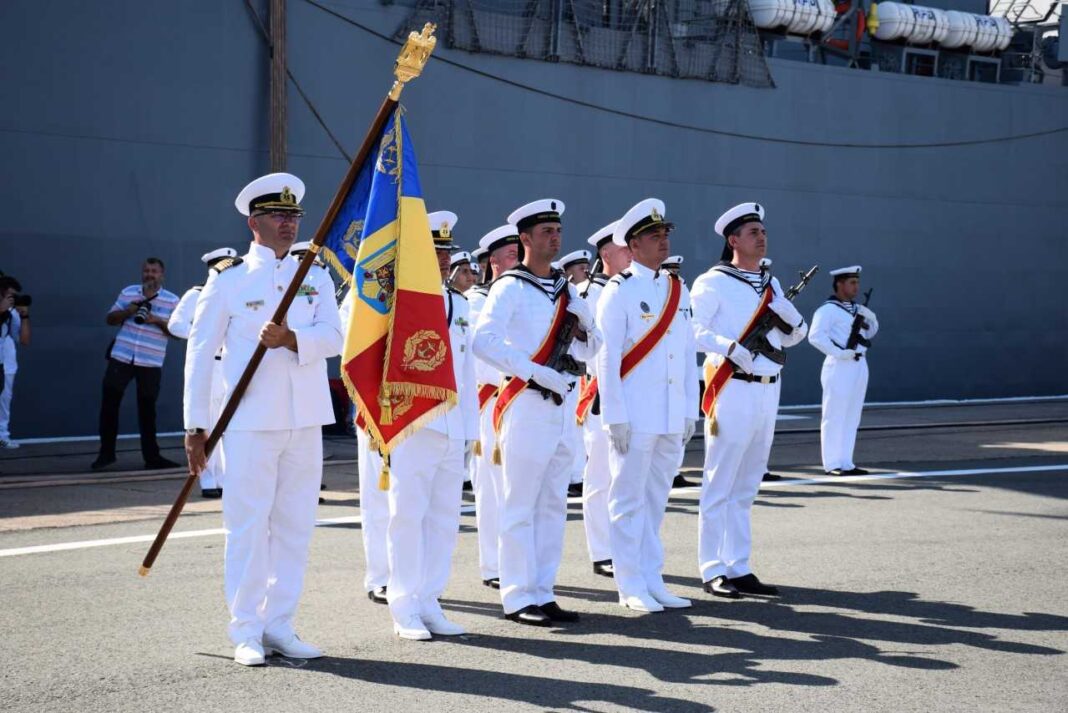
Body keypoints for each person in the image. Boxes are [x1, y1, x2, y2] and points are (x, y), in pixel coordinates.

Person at [184, 172, 342, 666]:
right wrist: (195, 426)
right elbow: (200, 352)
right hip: (250, 419)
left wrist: (292, 339)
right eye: (277, 215)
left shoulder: (314, 274)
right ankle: (246, 630)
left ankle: (280, 625)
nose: (288, 224)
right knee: (249, 527)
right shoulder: (229, 279)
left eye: (293, 216)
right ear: (254, 223)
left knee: (295, 525)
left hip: (306, 418)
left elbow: (335, 337)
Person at [472, 198, 600, 627]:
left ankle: (544, 591)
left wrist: (587, 324)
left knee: (553, 504)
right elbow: (483, 341)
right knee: (520, 503)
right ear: (524, 239)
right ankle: (517, 596)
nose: (555, 237)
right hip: (526, 402)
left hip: (563, 404)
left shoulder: (566, 289)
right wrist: (531, 370)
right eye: (546, 231)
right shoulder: (511, 286)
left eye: (558, 230)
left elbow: (592, 351)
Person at [690, 202, 807, 599]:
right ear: (733, 240)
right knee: (720, 481)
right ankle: (712, 568)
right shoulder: (712, 282)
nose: (762, 237)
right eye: (753, 232)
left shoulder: (770, 284)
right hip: (733, 387)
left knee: (748, 482)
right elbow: (692, 330)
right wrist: (728, 347)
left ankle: (738, 565)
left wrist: (794, 321)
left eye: (763, 231)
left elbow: (789, 338)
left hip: (768, 387)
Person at [596, 199, 698, 612]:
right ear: (633, 245)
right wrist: (614, 416)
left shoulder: (677, 288)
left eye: (665, 234)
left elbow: (686, 353)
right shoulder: (619, 290)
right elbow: (606, 357)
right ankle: (630, 584)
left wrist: (690, 409)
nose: (663, 241)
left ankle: (653, 578)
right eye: (654, 236)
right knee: (627, 501)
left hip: (671, 414)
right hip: (635, 416)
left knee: (656, 501)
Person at [385, 210, 479, 640]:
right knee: (407, 516)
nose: (443, 259)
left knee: (444, 519)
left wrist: (471, 430)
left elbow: (467, 371)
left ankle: (429, 600)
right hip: (414, 422)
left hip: (453, 425)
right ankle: (404, 604)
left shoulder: (460, 303)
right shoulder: (401, 300)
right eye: (434, 251)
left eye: (446, 252)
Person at [573, 220, 630, 578]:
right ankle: (602, 551)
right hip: (598, 392)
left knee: (628, 478)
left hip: (632, 391)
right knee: (599, 476)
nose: (631, 253)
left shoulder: (629, 288)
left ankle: (625, 547)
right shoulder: (584, 293)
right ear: (606, 253)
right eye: (624, 248)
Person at [467, 224, 522, 590]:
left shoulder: (526, 292)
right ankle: (494, 565)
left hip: (525, 397)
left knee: (521, 489)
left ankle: (520, 562)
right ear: (492, 262)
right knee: (492, 487)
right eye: (511, 255)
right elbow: (482, 358)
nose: (518, 259)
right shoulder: (476, 300)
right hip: (492, 401)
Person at [92, 258, 181, 470]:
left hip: (150, 361)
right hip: (122, 357)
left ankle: (152, 458)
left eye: (154, 271)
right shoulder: (129, 292)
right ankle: (106, 454)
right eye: (146, 270)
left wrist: (156, 320)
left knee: (147, 410)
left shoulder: (172, 300)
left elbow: (178, 333)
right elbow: (110, 319)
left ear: (162, 275)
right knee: (109, 406)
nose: (150, 274)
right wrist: (128, 311)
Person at [168, 248, 239, 497]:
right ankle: (209, 480)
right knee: (206, 424)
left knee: (229, 425)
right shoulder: (196, 294)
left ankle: (226, 478)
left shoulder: (236, 293)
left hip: (230, 365)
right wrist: (204, 337)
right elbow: (175, 324)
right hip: (209, 363)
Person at [338, 287, 390, 606]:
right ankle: (381, 576)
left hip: (420, 407)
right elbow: (346, 339)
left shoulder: (430, 286)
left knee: (417, 503)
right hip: (377, 401)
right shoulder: (366, 284)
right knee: (378, 496)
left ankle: (417, 581)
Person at [808, 265, 879, 476]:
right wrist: (839, 352)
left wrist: (872, 319)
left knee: (852, 415)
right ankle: (832, 464)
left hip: (859, 364)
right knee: (834, 415)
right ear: (840, 284)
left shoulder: (858, 309)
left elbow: (869, 334)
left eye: (857, 282)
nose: (856, 287)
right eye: (852, 283)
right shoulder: (827, 310)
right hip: (839, 365)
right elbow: (815, 336)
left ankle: (847, 462)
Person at [553, 248, 594, 497]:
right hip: (553, 374)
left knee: (571, 431)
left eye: (587, 267)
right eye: (580, 268)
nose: (586, 272)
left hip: (574, 372)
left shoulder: (579, 297)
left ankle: (575, 475)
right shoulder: (562, 297)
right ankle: (570, 477)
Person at [0, 276, 30, 448]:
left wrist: (24, 316)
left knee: (4, 401)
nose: (12, 299)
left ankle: (2, 436)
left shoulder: (11, 313)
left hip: (6, 363)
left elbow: (24, 340)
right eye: (10, 295)